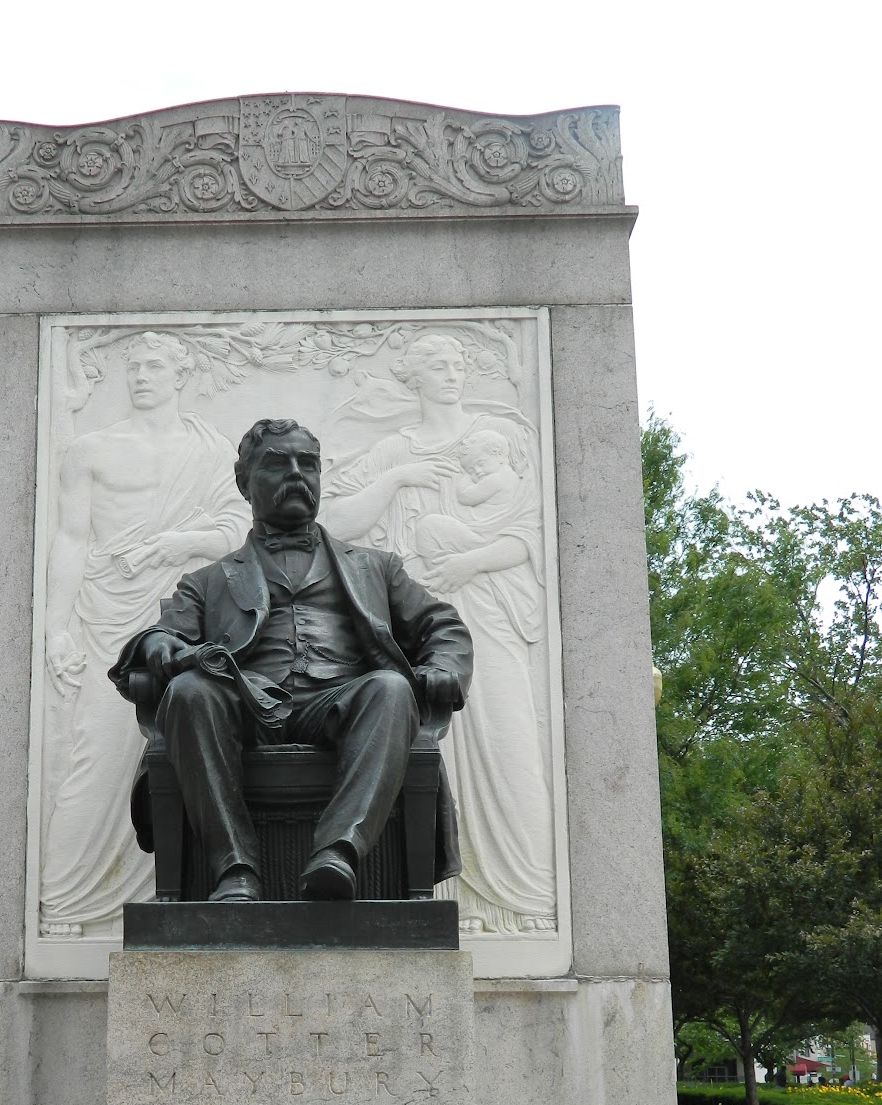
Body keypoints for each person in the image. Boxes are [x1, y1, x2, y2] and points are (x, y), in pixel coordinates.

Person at [110, 418, 472, 901]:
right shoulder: (207, 582)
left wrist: (443, 668)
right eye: (278, 464)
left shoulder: (375, 568)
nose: (297, 474)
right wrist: (162, 648)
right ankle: (234, 870)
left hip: (343, 704)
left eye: (309, 464)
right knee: (190, 692)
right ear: (245, 483)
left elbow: (441, 626)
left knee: (390, 687)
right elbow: (159, 637)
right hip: (248, 705)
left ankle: (338, 855)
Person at [324, 332, 556, 933]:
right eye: (436, 364)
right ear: (413, 377)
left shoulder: (498, 440)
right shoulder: (392, 449)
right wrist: (399, 476)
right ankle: (453, 896)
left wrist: (469, 563)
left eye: (457, 362)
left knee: (506, 739)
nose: (451, 372)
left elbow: (531, 533)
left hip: (485, 609)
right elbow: (338, 522)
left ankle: (522, 896)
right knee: (424, 750)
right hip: (412, 624)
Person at [39, 332, 247, 933]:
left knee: (200, 744)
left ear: (181, 374)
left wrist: (172, 543)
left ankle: (200, 889)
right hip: (110, 610)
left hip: (192, 614)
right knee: (98, 751)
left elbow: (237, 526)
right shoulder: (92, 451)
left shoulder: (211, 451)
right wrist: (56, 631)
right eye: (134, 365)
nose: (142, 375)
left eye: (156, 364)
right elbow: (71, 540)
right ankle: (70, 899)